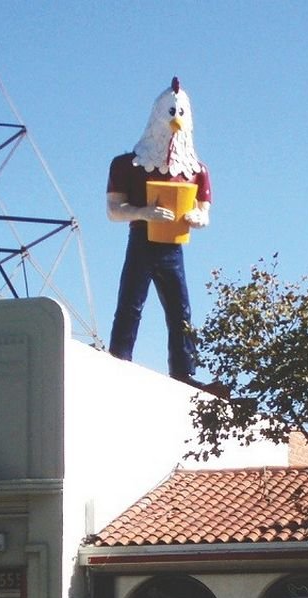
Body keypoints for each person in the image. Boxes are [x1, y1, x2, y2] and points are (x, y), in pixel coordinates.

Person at [107, 77, 212, 388]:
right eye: (170, 112)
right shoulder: (127, 164)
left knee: (181, 310)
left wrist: (196, 216)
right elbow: (114, 209)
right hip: (142, 239)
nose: (175, 119)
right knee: (130, 303)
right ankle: (119, 358)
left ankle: (184, 371)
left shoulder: (196, 170)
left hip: (172, 245)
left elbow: (205, 211)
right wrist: (143, 212)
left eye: (180, 112)